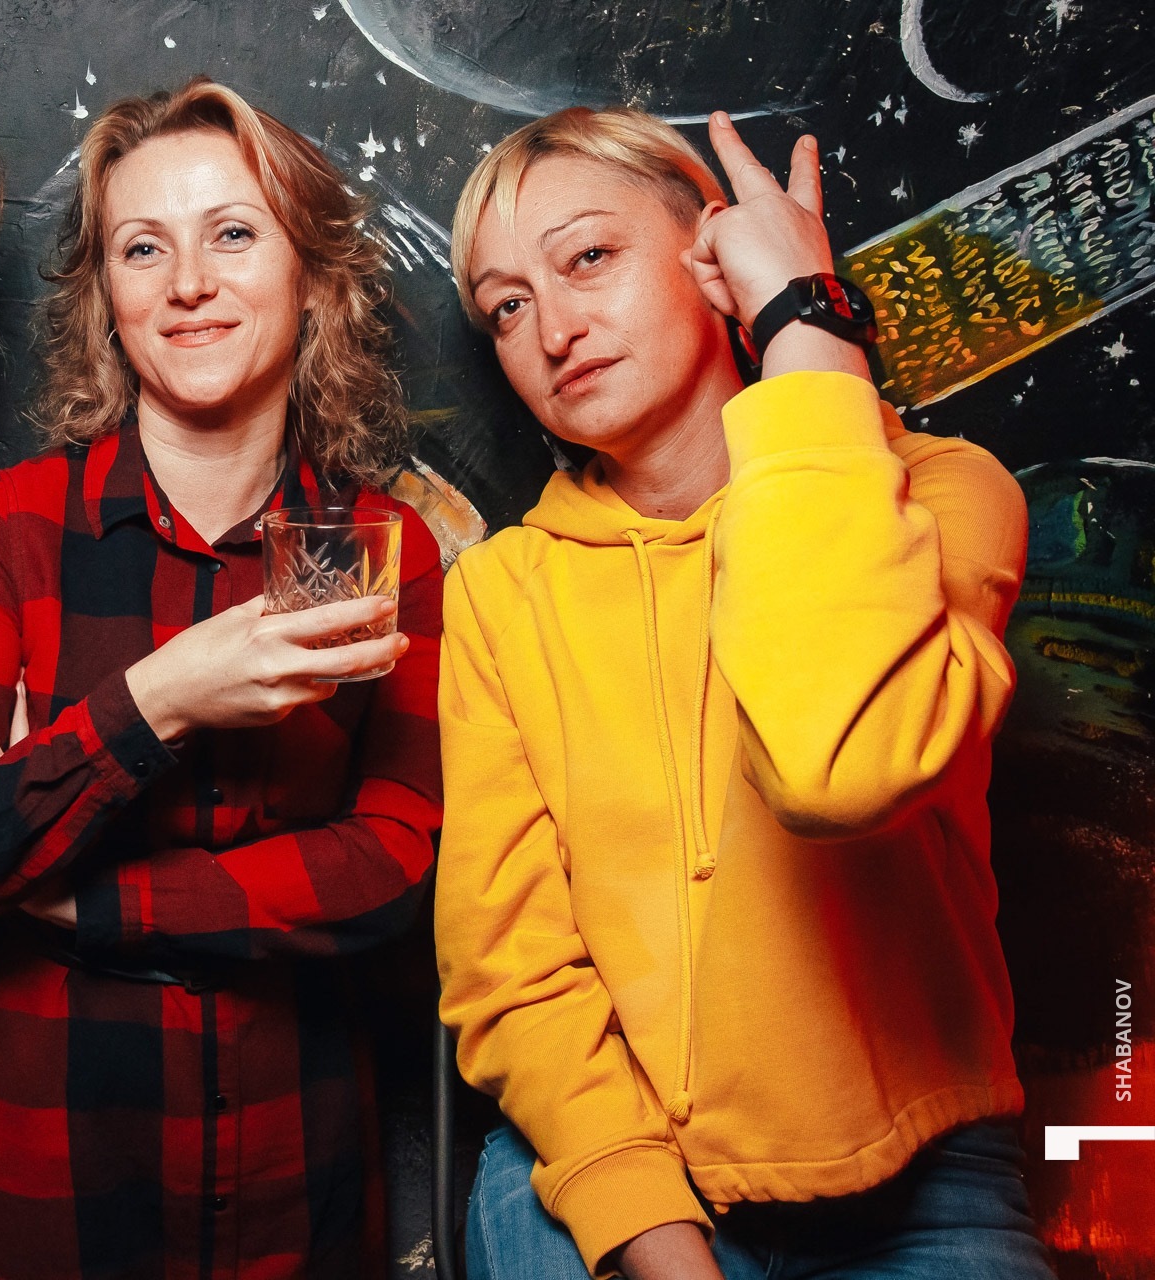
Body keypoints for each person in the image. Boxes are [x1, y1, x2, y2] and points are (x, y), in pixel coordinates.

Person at [435, 106, 1055, 1280]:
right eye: (506, 306)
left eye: (589, 256)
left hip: (921, 1182)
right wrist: (654, 1234)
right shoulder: (499, 594)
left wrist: (804, 321)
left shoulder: (939, 494)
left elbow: (836, 766)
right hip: (605, 1169)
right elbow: (509, 967)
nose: (553, 329)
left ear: (717, 251)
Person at [0, 77, 443, 1279]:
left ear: (311, 276)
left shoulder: (375, 548)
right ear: (106, 298)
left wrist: (83, 896)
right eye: (144, 247)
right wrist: (158, 701)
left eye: (233, 234)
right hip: (40, 1187)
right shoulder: (8, 531)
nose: (188, 283)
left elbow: (390, 864)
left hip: (298, 1193)